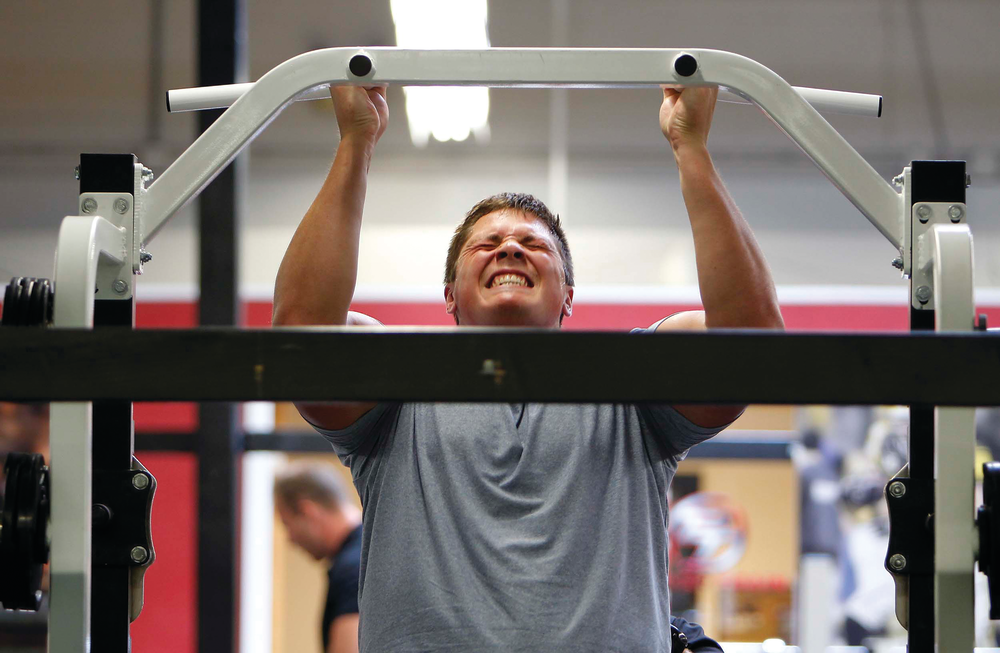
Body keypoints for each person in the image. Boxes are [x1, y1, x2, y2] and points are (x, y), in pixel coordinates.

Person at [272, 82, 782, 651]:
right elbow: (301, 336)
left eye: (532, 244)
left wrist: (691, 147)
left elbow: (752, 344)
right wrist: (356, 142)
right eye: (485, 244)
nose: (509, 249)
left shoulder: (629, 382)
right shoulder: (398, 384)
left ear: (567, 295)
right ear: (450, 295)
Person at [274, 463, 363, 653]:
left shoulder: (354, 567)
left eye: (287, 524)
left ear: (307, 511)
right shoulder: (369, 548)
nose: (291, 538)